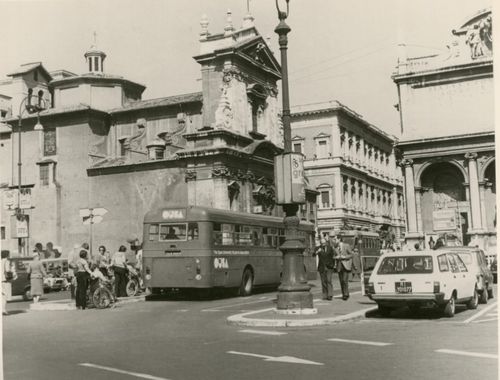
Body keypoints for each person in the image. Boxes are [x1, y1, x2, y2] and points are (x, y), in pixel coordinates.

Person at [333, 236, 353, 300]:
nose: (334, 240)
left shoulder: (346, 245)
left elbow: (351, 254)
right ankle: (344, 293)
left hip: (345, 265)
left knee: (344, 280)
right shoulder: (335, 247)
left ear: (339, 239)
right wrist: (336, 257)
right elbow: (333, 256)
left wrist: (345, 257)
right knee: (341, 281)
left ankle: (346, 294)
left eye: (335, 239)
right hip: (339, 266)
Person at [2, 250, 16, 315]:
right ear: (7, 255)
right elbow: (7, 270)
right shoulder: (7, 261)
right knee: (5, 296)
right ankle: (3, 310)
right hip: (5, 280)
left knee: (2, 295)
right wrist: (12, 267)